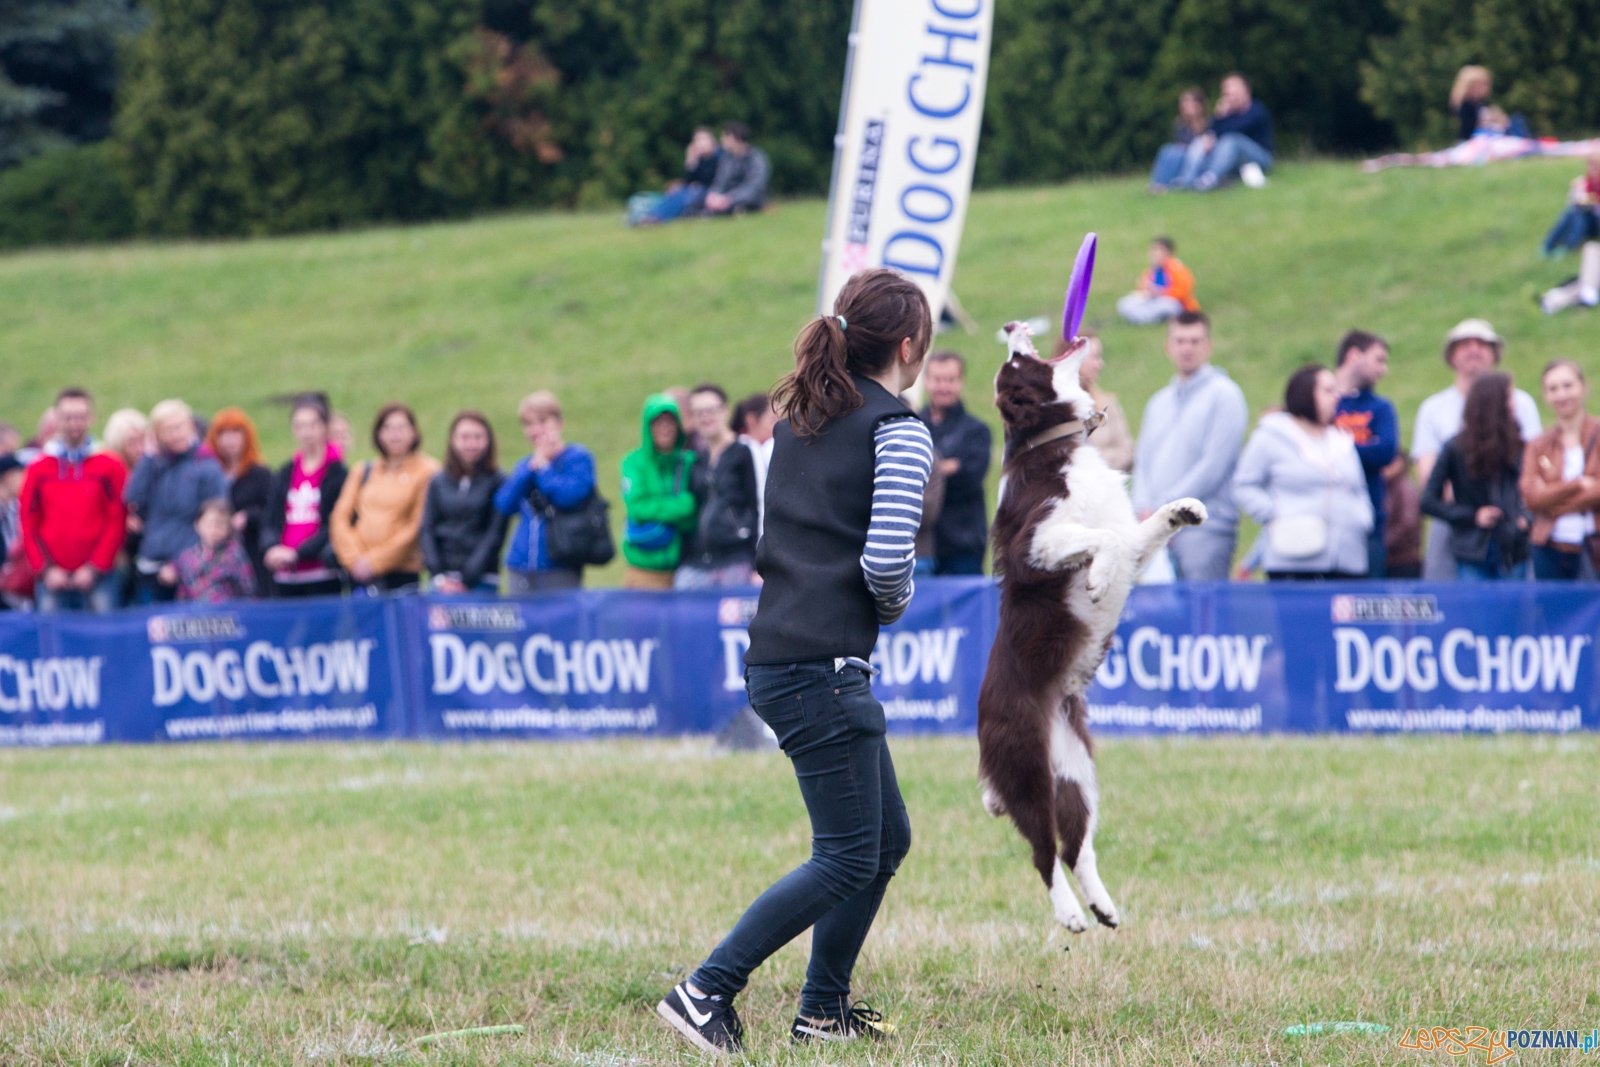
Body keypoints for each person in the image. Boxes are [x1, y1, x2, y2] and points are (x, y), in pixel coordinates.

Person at [656, 268, 930, 1053]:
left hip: (782, 656)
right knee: (848, 853)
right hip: (823, 666)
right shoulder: (899, 430)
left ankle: (823, 1008)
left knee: (884, 840)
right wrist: (891, 605)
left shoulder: (801, 418)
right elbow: (886, 563)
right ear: (908, 344)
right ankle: (705, 988)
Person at [1412, 319, 1540, 579]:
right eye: (1465, 345)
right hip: (1457, 525)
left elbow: (1533, 466)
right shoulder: (1433, 409)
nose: (1474, 350)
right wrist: (1471, 509)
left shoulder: (1523, 403)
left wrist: (1519, 514)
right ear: (1452, 356)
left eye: (1482, 344)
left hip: (1512, 532)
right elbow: (1428, 474)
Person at [1132, 312, 1249, 579]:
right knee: (1158, 604)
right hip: (1156, 530)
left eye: (1195, 341)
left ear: (1209, 346)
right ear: (1168, 347)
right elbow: (1143, 462)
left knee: (1201, 602)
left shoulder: (1225, 396)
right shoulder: (1158, 402)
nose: (1187, 348)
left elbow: (1215, 465)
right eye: (1180, 341)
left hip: (1204, 529)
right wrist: (1144, 507)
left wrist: (1166, 507)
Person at [1233, 365, 1373, 580]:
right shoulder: (1271, 437)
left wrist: (1363, 518)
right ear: (1305, 393)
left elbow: (1358, 488)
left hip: (1346, 560)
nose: (1336, 397)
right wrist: (1274, 514)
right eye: (1327, 390)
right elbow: (1244, 484)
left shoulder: (1341, 440)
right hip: (1293, 558)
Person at [19, 388, 127, 612]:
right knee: (52, 633)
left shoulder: (110, 465)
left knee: (102, 631)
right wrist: (45, 569)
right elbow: (28, 522)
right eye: (68, 417)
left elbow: (117, 518)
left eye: (81, 417)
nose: (74, 424)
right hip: (53, 577)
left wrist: (95, 566)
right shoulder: (38, 468)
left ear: (91, 418)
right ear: (57, 420)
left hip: (99, 575)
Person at [1421, 372, 1530, 580]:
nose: (1514, 404)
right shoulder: (1455, 448)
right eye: (1508, 397)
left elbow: (1533, 491)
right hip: (1472, 551)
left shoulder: (1519, 447)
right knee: (1476, 601)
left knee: (1514, 601)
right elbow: (1428, 501)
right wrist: (1472, 516)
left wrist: (1526, 518)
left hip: (1514, 549)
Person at [124, 399, 227, 604]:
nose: (175, 434)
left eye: (179, 427)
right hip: (151, 561)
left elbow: (214, 517)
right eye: (168, 430)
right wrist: (148, 457)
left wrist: (180, 563)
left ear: (190, 427)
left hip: (191, 569)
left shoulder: (206, 466)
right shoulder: (155, 464)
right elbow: (133, 497)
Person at [330, 403, 440, 593]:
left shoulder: (427, 471)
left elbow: (417, 525)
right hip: (360, 573)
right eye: (387, 428)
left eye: (401, 428)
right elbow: (340, 517)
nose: (394, 434)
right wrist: (354, 559)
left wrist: (375, 562)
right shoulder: (363, 470)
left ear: (414, 433)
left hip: (402, 572)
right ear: (378, 434)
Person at [494, 391, 597, 594]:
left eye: (542, 421)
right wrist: (530, 468)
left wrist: (544, 468)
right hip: (520, 566)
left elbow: (568, 497)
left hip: (560, 563)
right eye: (528, 424)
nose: (535, 429)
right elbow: (504, 504)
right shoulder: (525, 464)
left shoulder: (578, 458)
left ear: (559, 423)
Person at [261, 394, 350, 598]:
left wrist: (298, 553)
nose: (306, 432)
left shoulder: (337, 473)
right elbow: (271, 517)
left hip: (322, 574)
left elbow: (335, 523)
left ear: (325, 427)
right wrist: (272, 547)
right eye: (299, 426)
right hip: (286, 575)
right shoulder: (286, 472)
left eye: (312, 425)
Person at [1519, 360, 1600, 580]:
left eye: (1567, 385)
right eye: (1553, 388)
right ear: (1545, 395)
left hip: (1593, 546)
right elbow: (1531, 497)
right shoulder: (1538, 445)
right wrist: (1576, 484)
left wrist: (1552, 505)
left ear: (1583, 387)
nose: (1561, 394)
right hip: (1549, 547)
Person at [677, 384, 760, 588]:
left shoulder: (746, 451)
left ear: (725, 411)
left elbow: (759, 505)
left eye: (710, 410)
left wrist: (758, 563)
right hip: (697, 564)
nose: (705, 417)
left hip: (736, 561)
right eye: (698, 413)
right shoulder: (696, 459)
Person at [1332, 330, 1399, 578]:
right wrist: (1362, 449)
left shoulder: (1381, 408)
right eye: (1378, 360)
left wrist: (1334, 450)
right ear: (1353, 356)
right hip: (1323, 524)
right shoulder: (1320, 402)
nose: (1384, 369)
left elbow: (1386, 451)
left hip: (1369, 523)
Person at [916, 352, 991, 574]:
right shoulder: (914, 426)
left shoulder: (977, 431)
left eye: (950, 380)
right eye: (937, 379)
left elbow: (971, 477)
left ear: (961, 382)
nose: (943, 386)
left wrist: (929, 473)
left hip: (963, 545)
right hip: (920, 547)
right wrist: (947, 467)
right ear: (926, 381)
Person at [421, 410, 508, 594]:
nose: (471, 444)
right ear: (453, 440)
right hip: (441, 582)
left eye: (478, 437)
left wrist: (467, 578)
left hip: (482, 580)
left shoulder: (497, 481)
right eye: (465, 437)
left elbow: (495, 534)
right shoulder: (438, 481)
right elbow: (427, 527)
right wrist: (438, 573)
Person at [620, 394, 698, 589]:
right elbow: (638, 507)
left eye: (670, 421)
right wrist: (680, 506)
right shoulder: (634, 462)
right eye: (658, 422)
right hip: (644, 570)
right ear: (648, 427)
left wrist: (680, 510)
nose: (665, 427)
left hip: (683, 569)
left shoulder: (688, 462)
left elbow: (694, 515)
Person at [205, 407, 274, 595]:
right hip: (216, 553)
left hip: (251, 551)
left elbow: (272, 510)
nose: (229, 440)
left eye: (235, 433)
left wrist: (249, 516)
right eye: (223, 434)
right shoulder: (210, 473)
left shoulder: (260, 474)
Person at [1171, 73, 1273, 192]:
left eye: (1232, 91)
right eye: (1226, 92)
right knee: (1202, 142)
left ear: (1246, 91)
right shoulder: (1226, 115)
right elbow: (1214, 133)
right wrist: (1218, 117)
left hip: (1260, 157)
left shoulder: (1256, 111)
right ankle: (1188, 179)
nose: (1229, 95)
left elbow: (1237, 130)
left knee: (1231, 140)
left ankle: (1210, 178)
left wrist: (1222, 118)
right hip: (1235, 160)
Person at [102, 407, 150, 603]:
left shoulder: (150, 468)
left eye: (143, 440)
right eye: (132, 442)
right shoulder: (107, 471)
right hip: (117, 552)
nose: (140, 448)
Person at [627, 126, 721, 226]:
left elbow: (715, 179)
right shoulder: (699, 159)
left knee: (682, 196)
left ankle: (656, 218)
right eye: (697, 140)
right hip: (693, 190)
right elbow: (688, 179)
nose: (700, 143)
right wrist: (690, 160)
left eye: (703, 139)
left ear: (711, 140)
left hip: (708, 191)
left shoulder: (718, 157)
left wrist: (697, 186)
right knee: (674, 192)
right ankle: (650, 215)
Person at [174, 498, 257, 602]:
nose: (214, 530)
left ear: (229, 527)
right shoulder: (186, 557)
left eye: (221, 524)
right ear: (197, 524)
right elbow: (182, 593)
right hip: (196, 611)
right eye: (209, 524)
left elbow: (249, 590)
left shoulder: (235, 553)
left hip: (228, 610)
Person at [1074, 334, 1134, 473]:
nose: (1099, 364)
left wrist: (1091, 459)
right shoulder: (1053, 408)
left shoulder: (1107, 405)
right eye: (1094, 357)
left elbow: (1127, 451)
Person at [1116, 236, 1199, 326]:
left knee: (1167, 307)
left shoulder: (1176, 268)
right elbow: (1144, 290)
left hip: (1174, 303)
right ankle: (1146, 318)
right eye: (1153, 250)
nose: (1156, 253)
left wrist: (1161, 292)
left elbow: (1183, 291)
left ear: (1169, 252)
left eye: (1160, 250)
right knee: (1125, 303)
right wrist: (1144, 290)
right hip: (1154, 301)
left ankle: (1147, 319)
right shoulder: (1151, 271)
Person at [1540, 150, 1600, 259]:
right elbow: (1574, 200)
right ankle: (1548, 245)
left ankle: (1568, 247)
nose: (1593, 170)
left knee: (1579, 215)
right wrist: (1577, 194)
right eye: (1591, 167)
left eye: (1596, 167)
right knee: (1573, 213)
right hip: (1587, 217)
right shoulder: (1585, 182)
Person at [702, 122, 770, 216]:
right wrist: (713, 195)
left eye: (725, 137)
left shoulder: (756, 159)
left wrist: (730, 198)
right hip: (726, 200)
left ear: (735, 137)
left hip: (748, 199)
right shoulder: (726, 159)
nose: (722, 140)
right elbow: (719, 182)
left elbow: (755, 187)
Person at [732, 393, 776, 535]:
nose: (781, 425)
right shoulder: (741, 452)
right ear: (751, 420)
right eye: (773, 419)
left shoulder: (768, 448)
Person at [1149, 87, 1209, 191]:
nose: (1184, 106)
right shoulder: (1180, 124)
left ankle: (1161, 184)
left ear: (1199, 105)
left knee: (1175, 152)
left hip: (1198, 160)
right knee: (1166, 149)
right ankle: (1158, 182)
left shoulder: (1208, 123)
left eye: (1188, 102)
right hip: (1182, 155)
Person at [1383, 455, 1423, 578]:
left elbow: (1408, 524)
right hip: (1394, 559)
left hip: (1403, 560)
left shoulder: (1404, 488)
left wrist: (1384, 541)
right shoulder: (1390, 487)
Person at [1451, 66, 1492, 143]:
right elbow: (1467, 125)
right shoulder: (1465, 104)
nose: (1483, 88)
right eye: (1479, 85)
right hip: (1467, 140)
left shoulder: (1481, 102)